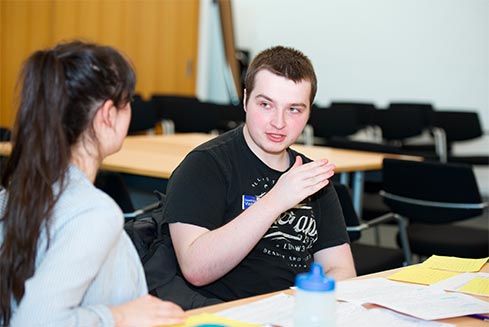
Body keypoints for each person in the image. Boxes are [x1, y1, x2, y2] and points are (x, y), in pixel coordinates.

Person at [0, 41, 186, 326]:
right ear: (107, 116)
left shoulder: (19, 188)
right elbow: (34, 321)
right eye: (129, 102)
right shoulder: (93, 212)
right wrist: (121, 316)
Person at [164, 45, 357, 302]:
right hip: (226, 313)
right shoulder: (206, 165)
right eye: (266, 104)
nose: (279, 122)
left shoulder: (310, 177)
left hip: (293, 311)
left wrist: (303, 303)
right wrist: (276, 200)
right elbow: (195, 269)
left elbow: (342, 269)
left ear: (309, 112)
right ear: (245, 100)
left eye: (294, 109)